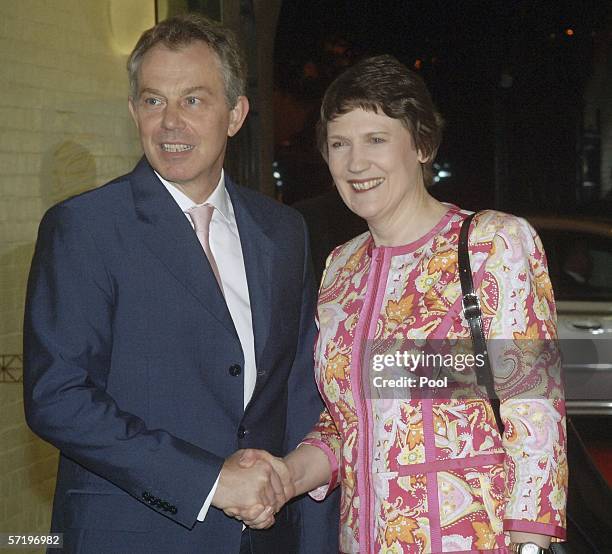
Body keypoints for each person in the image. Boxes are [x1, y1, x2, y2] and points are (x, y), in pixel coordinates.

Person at [23, 14, 338, 554]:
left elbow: (296, 391)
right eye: (153, 101)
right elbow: (58, 397)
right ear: (133, 111)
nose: (170, 123)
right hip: (129, 536)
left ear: (235, 114)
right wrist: (211, 481)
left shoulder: (282, 231)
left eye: (193, 100)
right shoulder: (85, 227)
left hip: (264, 538)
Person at [240, 55, 567, 553]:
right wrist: (286, 474)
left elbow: (533, 405)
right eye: (339, 144)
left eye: (375, 139)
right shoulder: (340, 268)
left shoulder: (490, 244)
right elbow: (345, 420)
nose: (355, 163)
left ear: (421, 144)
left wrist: (530, 544)